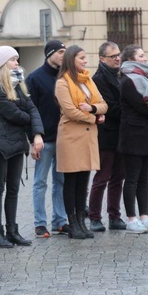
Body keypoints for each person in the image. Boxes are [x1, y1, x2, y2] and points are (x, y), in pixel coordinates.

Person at [0, 46, 44, 248]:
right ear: (2, 62)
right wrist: (27, 117)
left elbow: (32, 108)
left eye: (17, 59)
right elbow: (16, 114)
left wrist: (36, 134)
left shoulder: (18, 85)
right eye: (13, 60)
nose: (17, 63)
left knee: (14, 190)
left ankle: (12, 230)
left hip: (16, 144)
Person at [54, 45, 108, 240]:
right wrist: (94, 117)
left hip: (87, 137)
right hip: (71, 137)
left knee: (83, 181)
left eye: (85, 58)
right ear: (71, 60)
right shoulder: (62, 83)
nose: (85, 61)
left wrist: (93, 109)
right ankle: (72, 222)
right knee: (71, 181)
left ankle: (81, 221)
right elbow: (70, 111)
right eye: (81, 58)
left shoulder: (88, 80)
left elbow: (103, 104)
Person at [118, 45, 148, 233]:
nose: (145, 59)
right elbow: (143, 107)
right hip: (133, 136)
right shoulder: (128, 80)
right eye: (141, 56)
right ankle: (131, 218)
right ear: (131, 59)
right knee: (132, 178)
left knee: (144, 178)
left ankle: (144, 216)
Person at [26, 40, 69, 238]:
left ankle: (60, 221)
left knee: (61, 181)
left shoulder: (67, 77)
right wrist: (33, 138)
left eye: (65, 52)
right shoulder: (34, 78)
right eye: (60, 52)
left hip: (64, 139)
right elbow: (29, 110)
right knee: (40, 182)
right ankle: (40, 223)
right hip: (43, 139)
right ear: (49, 54)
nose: (63, 55)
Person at [88, 42, 126, 232]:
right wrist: (133, 108)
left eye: (118, 55)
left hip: (123, 134)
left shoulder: (121, 74)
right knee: (102, 177)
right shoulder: (99, 79)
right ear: (102, 59)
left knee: (119, 177)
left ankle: (115, 216)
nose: (118, 58)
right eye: (113, 56)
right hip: (107, 134)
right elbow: (110, 107)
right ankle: (94, 217)